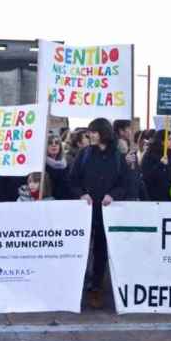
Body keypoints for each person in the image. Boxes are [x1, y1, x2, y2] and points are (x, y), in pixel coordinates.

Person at [70, 118, 129, 309]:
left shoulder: (117, 157)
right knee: (80, 248)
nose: (90, 135)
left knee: (101, 251)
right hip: (85, 211)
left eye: (94, 132)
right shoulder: (84, 154)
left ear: (103, 133)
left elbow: (125, 183)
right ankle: (77, 285)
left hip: (106, 211)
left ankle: (96, 288)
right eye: (89, 132)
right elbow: (72, 179)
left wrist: (113, 195)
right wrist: (81, 193)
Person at [141, 131, 171, 202]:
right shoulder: (149, 155)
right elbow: (147, 175)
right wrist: (161, 164)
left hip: (170, 195)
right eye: (169, 139)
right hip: (154, 196)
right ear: (161, 141)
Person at [45, 134, 71, 200]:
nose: (54, 145)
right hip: (48, 201)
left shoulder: (68, 163)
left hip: (66, 200)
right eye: (50, 143)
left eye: (57, 143)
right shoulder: (42, 165)